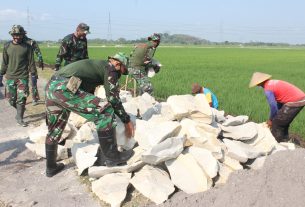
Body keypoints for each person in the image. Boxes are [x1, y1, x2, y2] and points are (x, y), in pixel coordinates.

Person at [45, 52, 134, 177]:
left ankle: (51, 167)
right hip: (65, 88)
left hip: (52, 87)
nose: (120, 75)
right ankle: (113, 157)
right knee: (105, 110)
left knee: (55, 128)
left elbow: (85, 88)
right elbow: (112, 98)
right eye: (123, 71)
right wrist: (126, 120)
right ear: (118, 64)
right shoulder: (111, 68)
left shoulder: (97, 65)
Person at [249, 72, 305, 142]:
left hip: (295, 101)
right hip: (300, 98)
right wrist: (277, 114)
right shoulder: (272, 82)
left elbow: (273, 106)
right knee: (282, 120)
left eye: (257, 84)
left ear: (259, 83)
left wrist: (270, 120)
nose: (257, 85)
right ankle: (285, 139)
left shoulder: (268, 89)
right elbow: (279, 100)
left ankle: (277, 142)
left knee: (276, 124)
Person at [0, 25, 37, 127]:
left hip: (22, 77)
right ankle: (20, 110)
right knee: (11, 100)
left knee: (22, 98)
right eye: (15, 35)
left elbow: (31, 62)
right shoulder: (7, 46)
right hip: (10, 76)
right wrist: (1, 73)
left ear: (22, 35)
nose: (17, 37)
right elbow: (4, 62)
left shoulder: (28, 47)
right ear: (12, 35)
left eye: (19, 35)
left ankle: (20, 118)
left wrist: (33, 74)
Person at [22, 26, 44, 105]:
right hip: (21, 66)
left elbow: (38, 52)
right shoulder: (18, 42)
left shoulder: (31, 42)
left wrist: (40, 61)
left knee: (33, 83)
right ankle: (23, 99)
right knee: (23, 83)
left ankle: (34, 99)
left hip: (31, 65)